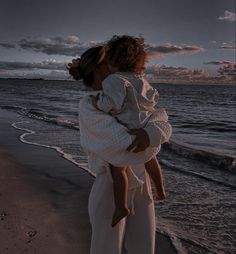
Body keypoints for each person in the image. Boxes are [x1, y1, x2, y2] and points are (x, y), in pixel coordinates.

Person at [67, 35, 172, 254]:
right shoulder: (90, 104)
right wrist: (150, 136)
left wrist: (151, 134)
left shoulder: (124, 91)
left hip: (141, 183)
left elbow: (162, 120)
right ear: (100, 68)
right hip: (111, 186)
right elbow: (124, 145)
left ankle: (158, 189)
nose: (119, 68)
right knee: (107, 248)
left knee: (144, 247)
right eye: (111, 62)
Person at [89, 36, 167, 228]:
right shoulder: (142, 81)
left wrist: (97, 102)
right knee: (151, 159)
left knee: (118, 171)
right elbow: (153, 99)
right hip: (144, 129)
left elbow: (111, 103)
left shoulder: (115, 80)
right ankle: (160, 188)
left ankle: (121, 206)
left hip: (128, 133)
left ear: (112, 61)